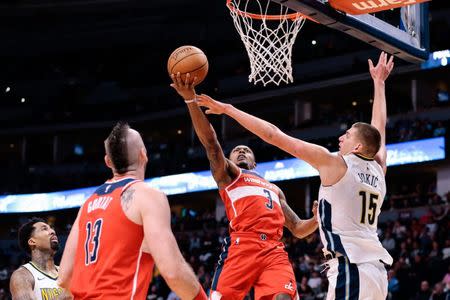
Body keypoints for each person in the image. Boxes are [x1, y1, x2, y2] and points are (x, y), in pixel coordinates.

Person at [195, 52, 394, 300]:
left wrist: (228, 109)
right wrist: (379, 83)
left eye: (348, 136)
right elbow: (379, 129)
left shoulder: (336, 164)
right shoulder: (378, 167)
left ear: (357, 148)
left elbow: (274, 135)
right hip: (376, 272)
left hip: (350, 268)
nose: (341, 137)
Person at [171, 73, 319, 300]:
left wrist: (316, 220)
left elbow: (298, 228)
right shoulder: (230, 175)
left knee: (283, 298)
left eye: (246, 150)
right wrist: (191, 100)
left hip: (273, 250)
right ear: (229, 158)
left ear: (255, 163)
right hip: (242, 247)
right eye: (236, 150)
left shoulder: (274, 189)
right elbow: (211, 144)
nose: (241, 151)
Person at [57, 122, 207, 300]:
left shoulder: (87, 205)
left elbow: (64, 278)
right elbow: (173, 272)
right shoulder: (148, 196)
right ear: (144, 155)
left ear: (108, 161)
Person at [10, 217, 72, 300]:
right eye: (44, 229)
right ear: (32, 242)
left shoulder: (66, 273)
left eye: (51, 228)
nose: (53, 231)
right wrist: (64, 296)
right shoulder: (22, 276)